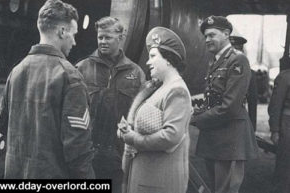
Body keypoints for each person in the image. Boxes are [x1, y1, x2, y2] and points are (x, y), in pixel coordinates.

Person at [0, 0, 95, 179]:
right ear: (62, 32)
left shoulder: (16, 72)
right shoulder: (70, 77)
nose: (74, 41)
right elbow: (78, 148)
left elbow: (2, 125)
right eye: (73, 34)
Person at [117, 26, 193, 193]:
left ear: (168, 59)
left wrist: (133, 138)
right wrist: (127, 130)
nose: (148, 61)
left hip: (159, 179)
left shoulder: (177, 91)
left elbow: (170, 137)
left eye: (153, 56)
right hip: (148, 176)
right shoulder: (161, 88)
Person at [76, 16, 145, 193]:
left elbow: (140, 115)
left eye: (108, 37)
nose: (103, 41)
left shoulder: (136, 73)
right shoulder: (82, 68)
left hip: (119, 155)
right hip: (87, 154)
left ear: (121, 37)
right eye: (100, 37)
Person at [191, 16, 259, 193]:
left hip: (230, 138)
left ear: (226, 34)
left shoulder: (237, 60)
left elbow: (230, 106)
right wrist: (199, 109)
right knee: (215, 188)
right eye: (205, 36)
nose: (207, 40)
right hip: (215, 136)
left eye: (212, 35)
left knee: (226, 189)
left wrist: (196, 119)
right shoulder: (216, 60)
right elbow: (213, 98)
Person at [268, 70, 290, 193]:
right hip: (287, 128)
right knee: (285, 171)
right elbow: (275, 105)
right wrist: (275, 130)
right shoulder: (285, 77)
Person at [230, 35, 258, 130]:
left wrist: (252, 127)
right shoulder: (218, 70)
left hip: (239, 119)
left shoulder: (250, 73)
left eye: (237, 50)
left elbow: (252, 102)